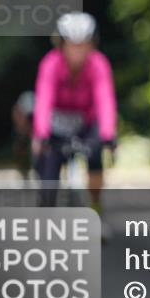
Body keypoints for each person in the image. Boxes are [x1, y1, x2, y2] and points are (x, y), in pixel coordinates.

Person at [33, 12, 117, 217]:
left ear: (92, 44)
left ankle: (96, 207)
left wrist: (108, 134)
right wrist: (41, 133)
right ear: (62, 45)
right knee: (47, 179)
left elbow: (105, 98)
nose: (77, 51)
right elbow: (43, 99)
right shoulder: (50, 64)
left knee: (96, 155)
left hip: (86, 123)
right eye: (72, 45)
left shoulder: (99, 64)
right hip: (55, 125)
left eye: (83, 45)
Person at [12, 91, 34, 183]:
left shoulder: (37, 106)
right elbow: (20, 122)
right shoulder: (18, 111)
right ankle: (24, 173)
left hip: (34, 128)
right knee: (20, 147)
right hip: (24, 129)